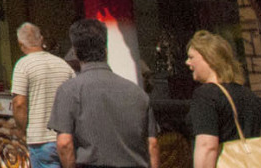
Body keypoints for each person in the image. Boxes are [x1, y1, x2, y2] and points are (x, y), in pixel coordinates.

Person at [49, 18, 158, 168]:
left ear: (75, 52)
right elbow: (152, 144)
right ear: (105, 50)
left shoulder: (69, 91)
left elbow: (64, 143)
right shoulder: (137, 93)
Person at [186, 30, 261, 168]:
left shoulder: (206, 95)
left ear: (209, 58)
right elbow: (260, 140)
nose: (187, 62)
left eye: (191, 57)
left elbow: (207, 146)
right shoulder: (250, 95)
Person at [12, 23, 75, 168]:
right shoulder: (63, 64)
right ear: (41, 40)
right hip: (66, 137)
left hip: (40, 139)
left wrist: (21, 130)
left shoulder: (23, 66)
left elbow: (19, 104)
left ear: (20, 43)